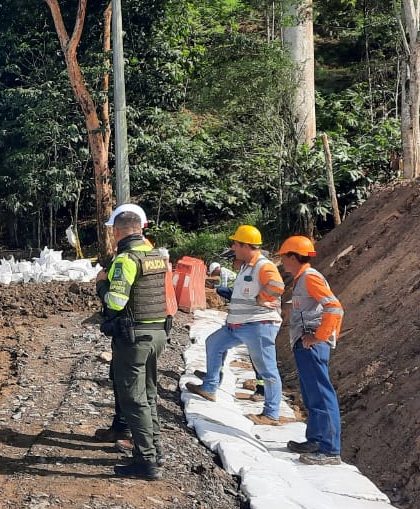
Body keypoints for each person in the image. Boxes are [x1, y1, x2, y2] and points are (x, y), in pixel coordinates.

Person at [185, 225, 287, 425]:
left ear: (246, 245)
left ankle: (271, 414)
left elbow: (277, 286)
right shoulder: (246, 266)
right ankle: (210, 387)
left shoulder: (263, 266)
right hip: (238, 325)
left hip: (258, 324)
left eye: (236, 244)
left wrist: (262, 298)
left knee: (267, 370)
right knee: (214, 343)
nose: (233, 247)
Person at [96, 205, 169, 480]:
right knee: (149, 395)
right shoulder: (156, 257)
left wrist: (101, 284)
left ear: (118, 232)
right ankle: (155, 449)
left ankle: (146, 460)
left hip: (134, 337)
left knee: (133, 398)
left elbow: (116, 301)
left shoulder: (126, 261)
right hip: (158, 333)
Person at [276, 235, 346, 465]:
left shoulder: (309, 278)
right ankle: (315, 439)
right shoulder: (301, 278)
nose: (282, 262)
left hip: (313, 346)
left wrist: (318, 337)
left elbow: (334, 308)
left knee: (323, 396)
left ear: (293, 256)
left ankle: (330, 450)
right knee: (311, 394)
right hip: (305, 345)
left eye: (284, 257)